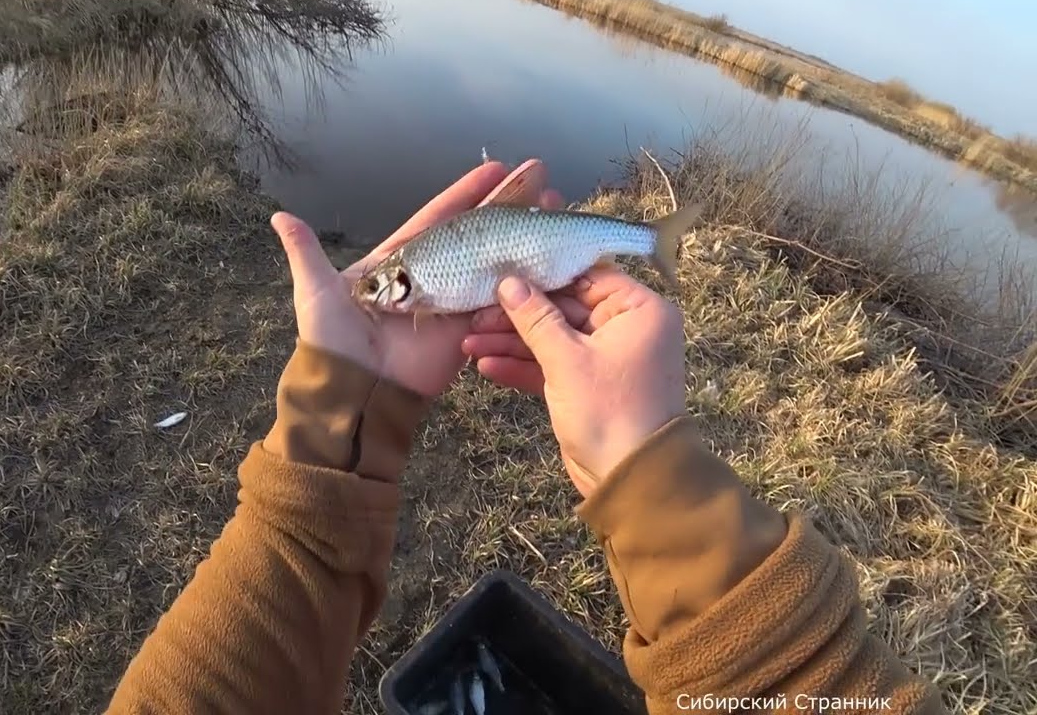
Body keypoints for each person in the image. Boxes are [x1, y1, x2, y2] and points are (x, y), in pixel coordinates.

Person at [106, 160, 948, 714]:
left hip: (552, 253)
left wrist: (336, 417)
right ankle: (648, 249)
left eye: (387, 288)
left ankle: (654, 243)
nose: (386, 292)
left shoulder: (426, 280)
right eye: (391, 289)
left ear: (403, 281)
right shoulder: (418, 280)